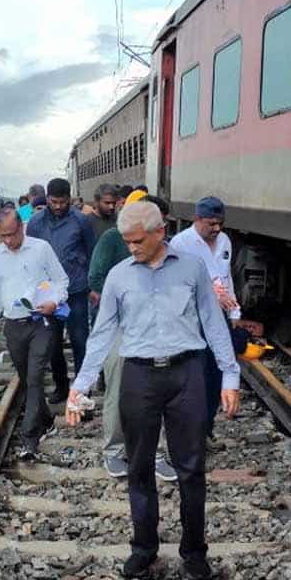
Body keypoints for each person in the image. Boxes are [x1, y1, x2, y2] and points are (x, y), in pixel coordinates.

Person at [66, 200, 239, 580]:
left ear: (160, 232)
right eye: (127, 242)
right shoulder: (119, 277)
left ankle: (195, 552)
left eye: (137, 241)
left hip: (186, 375)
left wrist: (230, 376)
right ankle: (144, 549)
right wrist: (80, 387)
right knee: (139, 467)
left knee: (191, 469)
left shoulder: (192, 270)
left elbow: (213, 324)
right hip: (139, 378)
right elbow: (102, 335)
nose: (132, 249)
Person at [88, 191, 175, 481]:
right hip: (120, 330)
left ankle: (157, 453)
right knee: (118, 391)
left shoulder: (167, 249)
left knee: (159, 394)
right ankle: (114, 451)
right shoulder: (113, 239)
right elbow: (96, 278)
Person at [0, 206, 68, 460]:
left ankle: (29, 439)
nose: (9, 241)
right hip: (13, 325)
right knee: (25, 377)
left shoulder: (41, 249)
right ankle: (44, 418)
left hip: (41, 323)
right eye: (4, 236)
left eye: (12, 234)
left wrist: (54, 302)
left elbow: (62, 281)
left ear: (21, 227)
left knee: (34, 377)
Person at [170, 196, 244, 440]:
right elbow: (177, 285)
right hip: (192, 320)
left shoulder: (224, 241)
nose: (217, 228)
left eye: (220, 223)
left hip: (219, 318)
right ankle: (189, 430)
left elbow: (227, 277)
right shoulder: (181, 244)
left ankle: (207, 427)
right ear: (197, 219)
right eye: (211, 223)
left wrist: (234, 312)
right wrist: (211, 294)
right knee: (193, 375)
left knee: (216, 374)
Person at [26, 178, 96, 403]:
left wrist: (92, 285)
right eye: (54, 202)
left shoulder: (82, 221)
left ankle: (82, 387)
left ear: (70, 198)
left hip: (75, 290)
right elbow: (30, 255)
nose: (58, 206)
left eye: (62, 202)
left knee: (79, 339)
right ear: (47, 199)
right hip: (48, 293)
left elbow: (91, 252)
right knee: (52, 343)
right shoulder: (36, 223)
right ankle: (61, 386)